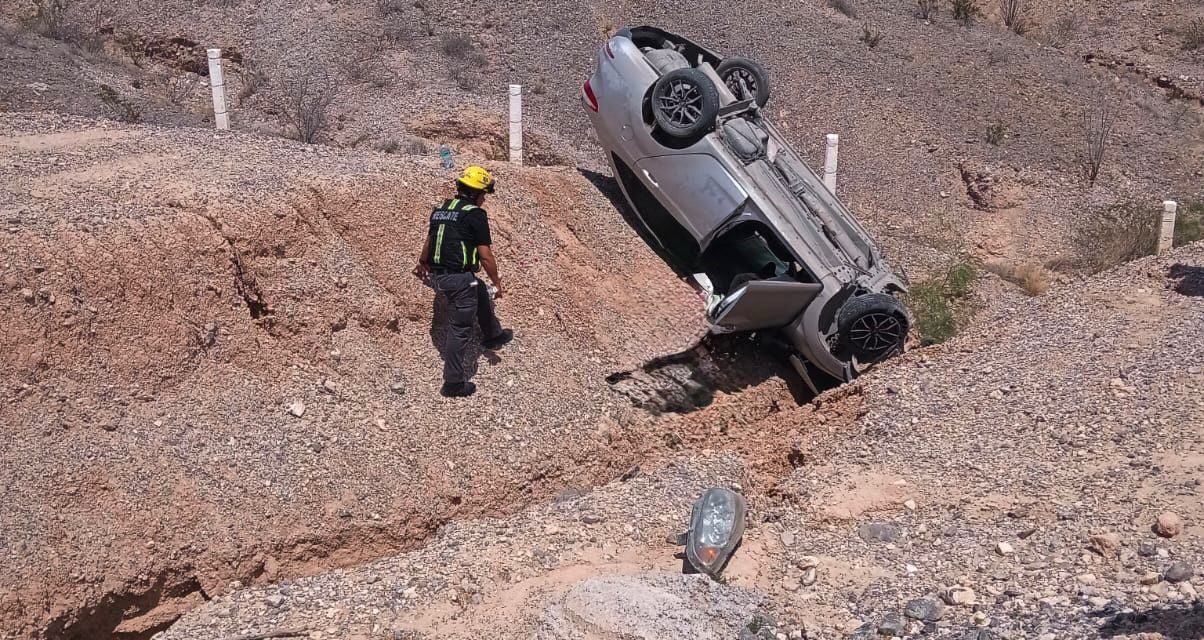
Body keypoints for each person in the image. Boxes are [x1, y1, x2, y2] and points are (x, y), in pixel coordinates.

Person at [413, 165, 513, 398]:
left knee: (477, 289)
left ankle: (492, 335)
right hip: (457, 279)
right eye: (484, 195)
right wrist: (497, 282)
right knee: (459, 329)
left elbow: (430, 240)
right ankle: (453, 382)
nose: (484, 200)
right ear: (477, 194)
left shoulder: (441, 210)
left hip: (442, 276)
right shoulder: (475, 215)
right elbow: (485, 255)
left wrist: (422, 261)